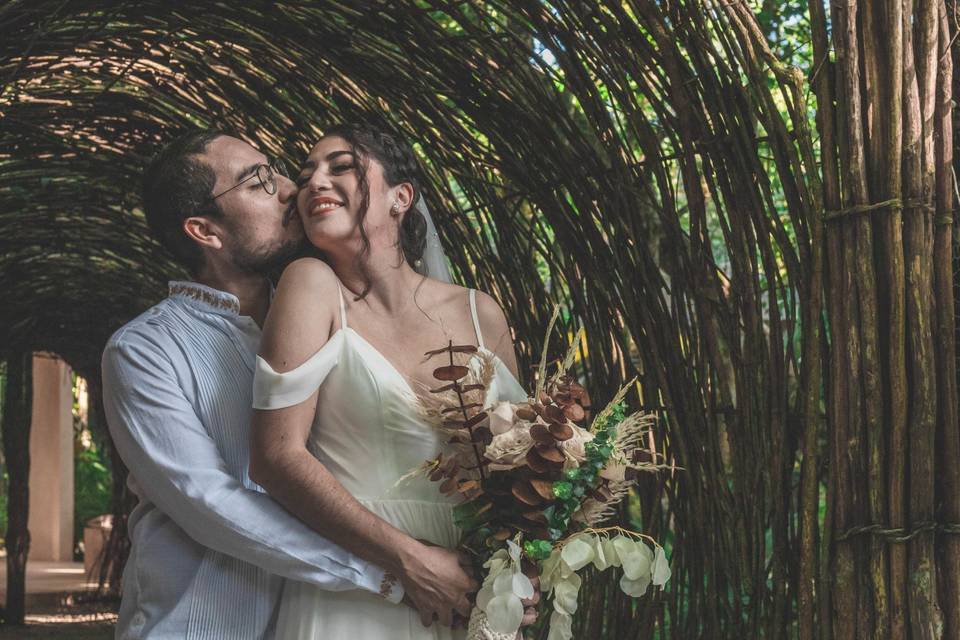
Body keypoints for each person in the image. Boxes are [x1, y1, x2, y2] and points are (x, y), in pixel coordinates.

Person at [102, 129, 475, 638]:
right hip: (201, 626)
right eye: (258, 182)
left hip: (332, 619)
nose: (288, 189)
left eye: (278, 170)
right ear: (204, 231)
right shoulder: (144, 351)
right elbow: (211, 503)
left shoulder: (339, 319)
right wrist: (391, 572)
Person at [249, 123, 538, 639]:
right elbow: (275, 458)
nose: (315, 181)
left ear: (401, 197)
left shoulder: (479, 312)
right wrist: (411, 563)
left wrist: (520, 572)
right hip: (361, 592)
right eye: (307, 173)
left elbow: (516, 472)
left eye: (340, 167)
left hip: (468, 590)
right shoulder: (311, 287)